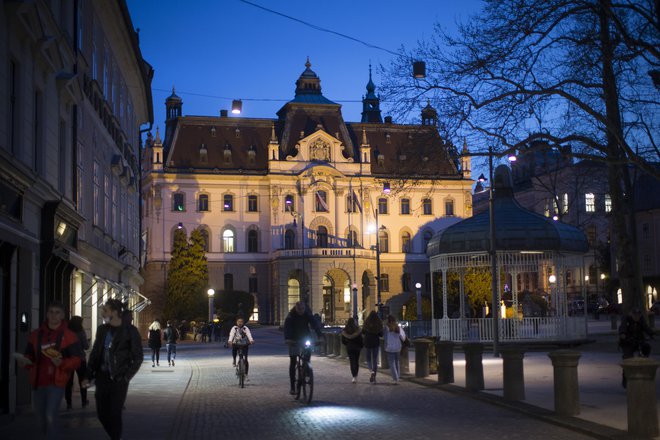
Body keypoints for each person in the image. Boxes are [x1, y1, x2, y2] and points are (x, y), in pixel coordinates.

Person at [19, 301, 81, 439]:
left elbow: (77, 360)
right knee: (40, 416)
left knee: (50, 414)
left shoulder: (69, 336)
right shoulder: (35, 335)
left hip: (56, 381)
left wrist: (62, 363)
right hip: (38, 381)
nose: (54, 315)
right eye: (51, 312)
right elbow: (29, 355)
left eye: (57, 312)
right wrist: (25, 362)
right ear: (47, 314)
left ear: (63, 315)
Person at [83, 299, 143, 440]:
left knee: (115, 413)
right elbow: (95, 353)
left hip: (119, 378)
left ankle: (116, 438)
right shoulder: (102, 330)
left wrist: (126, 377)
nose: (102, 313)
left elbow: (138, 357)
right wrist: (87, 374)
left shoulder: (130, 331)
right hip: (102, 377)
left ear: (115, 312)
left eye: (105, 310)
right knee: (102, 414)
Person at [283, 301, 324, 395]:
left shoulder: (307, 314)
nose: (301, 311)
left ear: (304, 308)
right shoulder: (291, 316)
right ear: (296, 308)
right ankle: (292, 386)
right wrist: (288, 339)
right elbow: (287, 328)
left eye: (302, 309)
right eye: (299, 309)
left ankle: (306, 369)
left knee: (308, 353)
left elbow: (315, 325)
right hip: (293, 339)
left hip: (305, 337)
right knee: (293, 362)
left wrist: (320, 336)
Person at [619, 307, 654, 387]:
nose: (637, 317)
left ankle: (643, 365)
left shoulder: (641, 319)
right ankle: (625, 378)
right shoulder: (626, 319)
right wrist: (623, 334)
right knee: (628, 358)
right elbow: (622, 328)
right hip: (627, 341)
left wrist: (651, 333)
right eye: (635, 316)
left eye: (638, 316)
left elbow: (645, 327)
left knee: (646, 347)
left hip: (638, 340)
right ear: (631, 315)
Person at [65, 315, 90, 410]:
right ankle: (84, 401)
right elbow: (86, 346)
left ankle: (69, 403)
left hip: (68, 359)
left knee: (68, 382)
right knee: (83, 381)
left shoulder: (66, 332)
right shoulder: (81, 332)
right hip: (80, 359)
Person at [383, 315, 406, 384]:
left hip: (390, 347)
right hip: (398, 347)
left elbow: (385, 337)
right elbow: (403, 338)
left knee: (391, 363)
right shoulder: (398, 328)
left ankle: (395, 378)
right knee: (397, 362)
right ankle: (397, 377)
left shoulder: (386, 327)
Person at [362, 310, 383, 384]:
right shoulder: (378, 322)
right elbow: (381, 334)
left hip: (367, 342)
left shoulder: (367, 322)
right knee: (374, 359)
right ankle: (374, 376)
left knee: (368, 359)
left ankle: (371, 371)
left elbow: (363, 332)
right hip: (375, 342)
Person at [341, 317, 363, 383]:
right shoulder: (357, 329)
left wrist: (347, 344)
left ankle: (353, 376)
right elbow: (360, 339)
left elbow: (343, 340)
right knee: (356, 361)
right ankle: (356, 375)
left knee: (352, 361)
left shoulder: (345, 330)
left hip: (349, 347)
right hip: (357, 347)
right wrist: (361, 345)